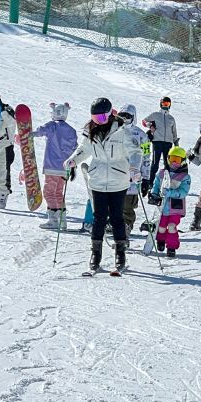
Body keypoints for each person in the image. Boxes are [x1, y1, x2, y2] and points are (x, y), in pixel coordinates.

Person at [64, 97, 141, 273]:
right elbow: (84, 150)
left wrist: (134, 167)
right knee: (98, 218)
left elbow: (135, 151)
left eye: (101, 118)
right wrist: (73, 160)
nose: (98, 122)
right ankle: (95, 254)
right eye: (95, 118)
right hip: (97, 180)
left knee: (117, 218)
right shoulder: (90, 131)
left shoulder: (122, 131)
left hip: (118, 180)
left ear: (109, 114)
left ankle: (120, 253)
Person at [33, 102, 78, 230]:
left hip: (52, 167)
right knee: (58, 193)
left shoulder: (52, 126)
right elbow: (76, 148)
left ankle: (53, 219)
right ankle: (62, 221)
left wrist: (29, 135)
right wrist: (73, 166)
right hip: (65, 168)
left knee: (48, 192)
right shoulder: (72, 131)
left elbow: (41, 131)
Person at [117, 104, 151, 246]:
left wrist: (146, 178)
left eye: (128, 117)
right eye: (122, 117)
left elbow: (147, 157)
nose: (124, 120)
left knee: (127, 206)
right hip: (115, 175)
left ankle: (125, 230)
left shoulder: (141, 135)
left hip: (132, 178)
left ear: (133, 117)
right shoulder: (114, 132)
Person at [149, 145, 191, 257]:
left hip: (175, 207)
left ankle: (171, 247)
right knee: (161, 227)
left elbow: (183, 192)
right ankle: (161, 240)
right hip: (162, 206)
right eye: (172, 159)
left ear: (182, 161)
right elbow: (156, 185)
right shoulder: (161, 173)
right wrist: (153, 194)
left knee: (172, 226)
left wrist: (170, 193)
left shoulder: (184, 177)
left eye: (177, 160)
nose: (174, 163)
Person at [143, 96, 178, 185]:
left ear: (170, 105)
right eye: (164, 103)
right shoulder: (155, 115)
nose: (165, 105)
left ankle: (167, 184)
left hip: (168, 143)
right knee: (155, 163)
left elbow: (174, 132)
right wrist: (150, 126)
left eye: (167, 104)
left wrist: (176, 143)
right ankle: (150, 183)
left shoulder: (171, 118)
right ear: (160, 104)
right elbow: (144, 121)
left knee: (168, 164)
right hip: (157, 141)